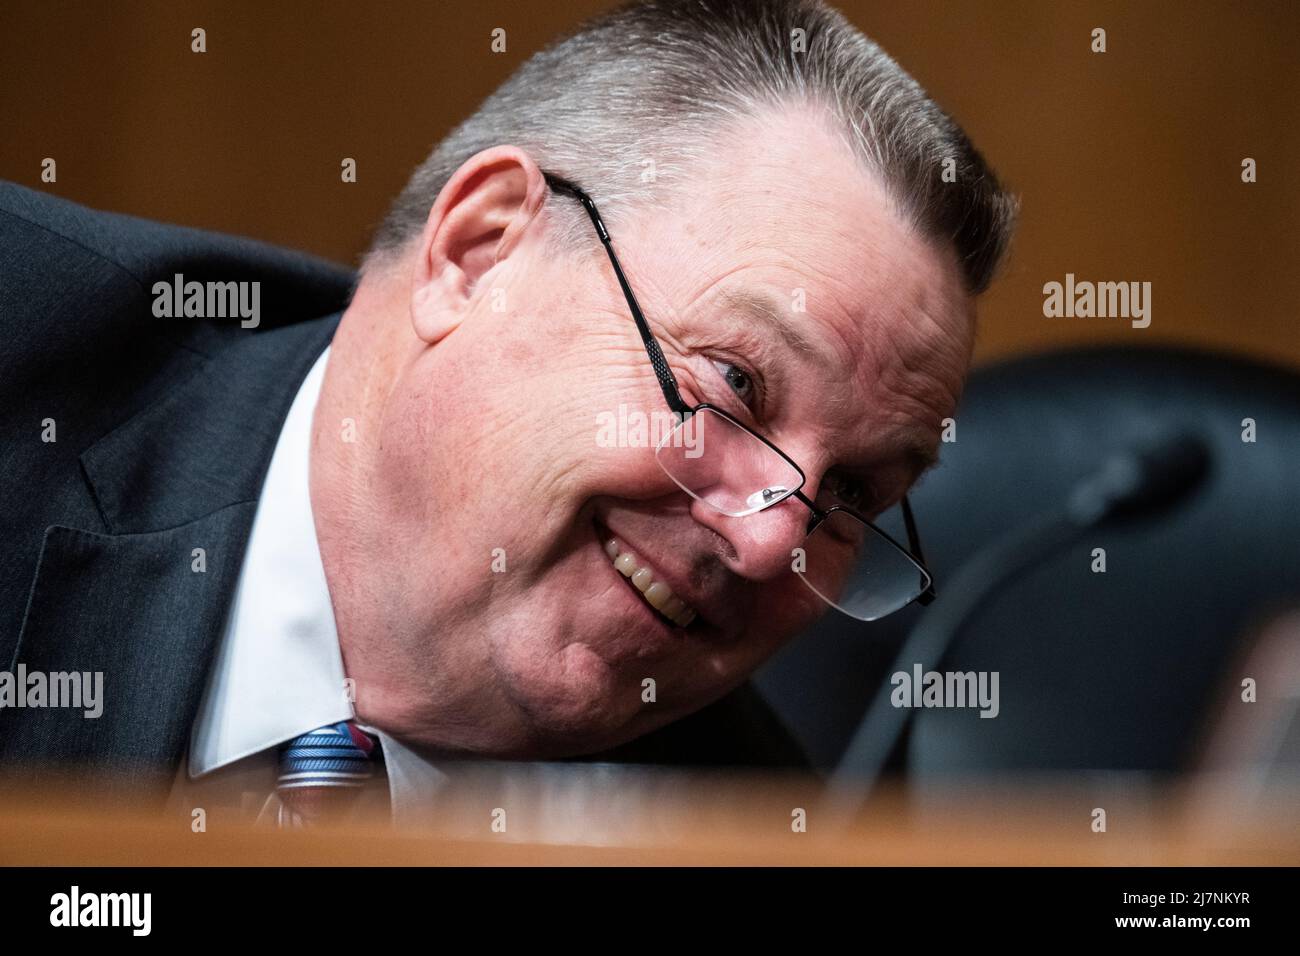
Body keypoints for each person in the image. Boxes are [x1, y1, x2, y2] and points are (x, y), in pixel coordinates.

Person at [0, 0, 1015, 825]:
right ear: (478, 251)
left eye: (850, 492)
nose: (771, 541)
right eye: (739, 383)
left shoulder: (740, 826)